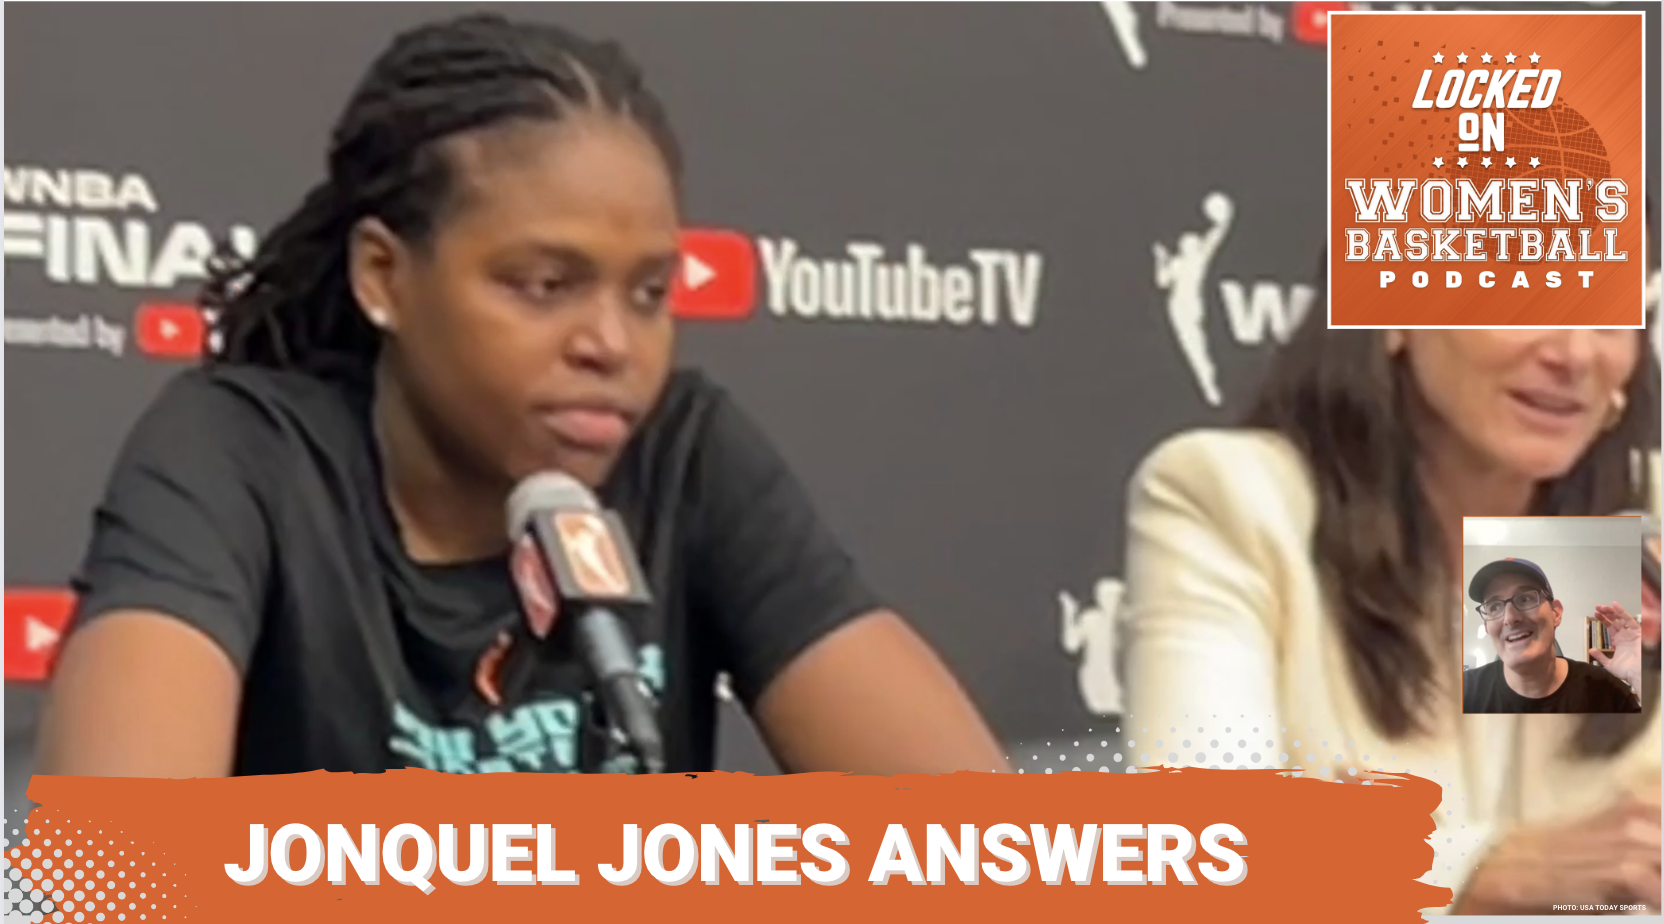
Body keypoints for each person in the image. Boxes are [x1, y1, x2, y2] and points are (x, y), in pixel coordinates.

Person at [37, 14, 1007, 779]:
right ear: (383, 275)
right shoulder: (239, 457)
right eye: (543, 285)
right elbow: (116, 871)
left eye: (649, 294)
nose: (610, 345)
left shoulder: (685, 455)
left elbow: (982, 850)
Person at [1121, 292, 1661, 914]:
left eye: (1608, 317)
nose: (1574, 353)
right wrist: (1475, 873)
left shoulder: (1630, 529)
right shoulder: (1241, 502)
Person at [1463, 557, 1641, 714]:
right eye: (1494, 607)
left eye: (1525, 599)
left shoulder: (1606, 692)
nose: (1510, 618)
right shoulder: (1464, 692)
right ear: (1486, 626)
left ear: (1555, 613)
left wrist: (1641, 676)